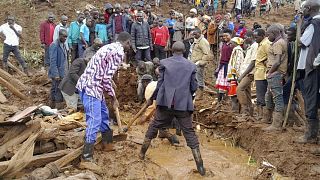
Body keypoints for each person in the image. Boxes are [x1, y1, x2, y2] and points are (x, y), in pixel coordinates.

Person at [139, 41, 205, 176]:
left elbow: (160, 84)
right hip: (183, 105)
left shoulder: (164, 63)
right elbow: (194, 87)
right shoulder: (191, 66)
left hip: (165, 104)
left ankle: (141, 154)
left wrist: (152, 99)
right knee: (189, 133)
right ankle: (201, 168)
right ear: (184, 51)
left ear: (171, 50)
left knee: (154, 126)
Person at [76, 32, 131, 164]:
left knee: (103, 115)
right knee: (94, 120)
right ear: (127, 42)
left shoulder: (108, 47)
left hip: (93, 85)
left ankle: (107, 143)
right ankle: (87, 155)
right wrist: (113, 97)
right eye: (130, 43)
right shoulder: (119, 53)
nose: (130, 46)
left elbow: (102, 70)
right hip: (91, 88)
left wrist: (111, 82)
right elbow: (106, 78)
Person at [295, 0, 320, 143]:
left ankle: (311, 136)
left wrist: (299, 24)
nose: (301, 10)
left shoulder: (314, 24)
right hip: (314, 66)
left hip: (311, 67)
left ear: (309, 9)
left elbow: (301, 42)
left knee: (311, 99)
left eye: (303, 8)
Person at [263, 24, 288, 131]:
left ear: (274, 33)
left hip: (275, 73)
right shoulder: (280, 42)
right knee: (268, 95)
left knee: (277, 97)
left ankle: (276, 125)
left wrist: (270, 73)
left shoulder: (278, 44)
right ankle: (267, 119)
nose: (267, 37)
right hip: (275, 73)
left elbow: (277, 62)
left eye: (268, 35)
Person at [237, 31, 258, 115]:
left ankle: (245, 111)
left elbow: (253, 63)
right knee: (247, 92)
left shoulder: (255, 46)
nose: (244, 39)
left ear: (250, 37)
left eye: (245, 37)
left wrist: (242, 75)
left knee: (239, 89)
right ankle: (250, 112)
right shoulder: (250, 47)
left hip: (250, 73)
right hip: (246, 72)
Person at [48, 29, 68, 109]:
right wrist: (56, 74)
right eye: (64, 37)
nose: (65, 38)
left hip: (62, 71)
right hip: (57, 72)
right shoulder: (54, 45)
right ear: (59, 36)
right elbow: (52, 61)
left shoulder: (63, 44)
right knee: (58, 89)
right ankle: (58, 107)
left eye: (66, 37)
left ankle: (52, 106)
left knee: (54, 88)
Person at [253, 28, 271, 121]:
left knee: (262, 95)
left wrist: (266, 65)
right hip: (259, 72)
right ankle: (260, 115)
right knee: (260, 95)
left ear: (263, 36)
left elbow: (270, 57)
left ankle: (264, 116)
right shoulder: (260, 44)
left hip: (262, 73)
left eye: (256, 37)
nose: (255, 39)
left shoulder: (266, 44)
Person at [190, 28, 211, 100]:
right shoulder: (197, 40)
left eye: (195, 34)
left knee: (199, 78)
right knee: (194, 78)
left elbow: (206, 53)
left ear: (200, 33)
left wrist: (200, 62)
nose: (194, 35)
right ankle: (196, 93)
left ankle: (200, 94)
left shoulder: (203, 41)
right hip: (194, 63)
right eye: (193, 34)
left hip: (198, 63)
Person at [215, 29, 234, 102]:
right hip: (222, 65)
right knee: (221, 84)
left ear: (231, 35)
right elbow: (221, 55)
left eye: (227, 35)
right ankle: (220, 101)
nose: (225, 37)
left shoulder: (232, 45)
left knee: (227, 83)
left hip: (228, 66)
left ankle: (226, 100)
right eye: (223, 36)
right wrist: (218, 66)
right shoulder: (223, 44)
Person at [227, 37, 244, 112]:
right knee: (234, 93)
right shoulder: (236, 50)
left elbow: (236, 64)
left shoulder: (237, 51)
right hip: (233, 75)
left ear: (236, 43)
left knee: (234, 94)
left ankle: (235, 110)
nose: (230, 44)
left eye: (232, 43)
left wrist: (234, 75)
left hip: (235, 75)